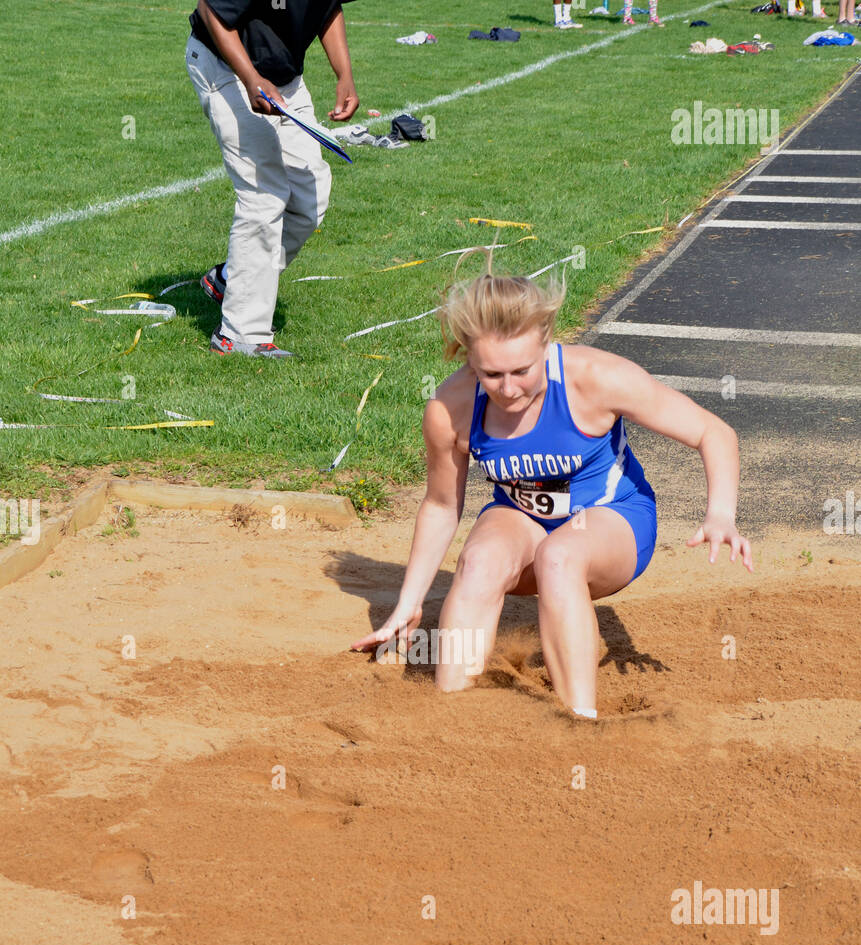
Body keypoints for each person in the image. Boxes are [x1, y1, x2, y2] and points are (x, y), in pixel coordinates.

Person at [351, 261, 753, 720]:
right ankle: (456, 719)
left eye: (521, 371)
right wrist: (409, 603)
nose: (507, 389)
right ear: (469, 359)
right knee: (479, 561)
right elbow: (442, 506)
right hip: (521, 518)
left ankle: (579, 722)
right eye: (490, 375)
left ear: (545, 344)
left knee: (559, 556)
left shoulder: (596, 379)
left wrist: (720, 513)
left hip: (612, 519)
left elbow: (713, 432)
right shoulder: (450, 408)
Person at [186, 1, 358, 358]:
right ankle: (239, 335)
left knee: (311, 199)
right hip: (226, 68)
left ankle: (232, 278)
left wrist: (344, 75)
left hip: (285, 79)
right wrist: (251, 79)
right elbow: (210, 11)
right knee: (264, 194)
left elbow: (327, 8)